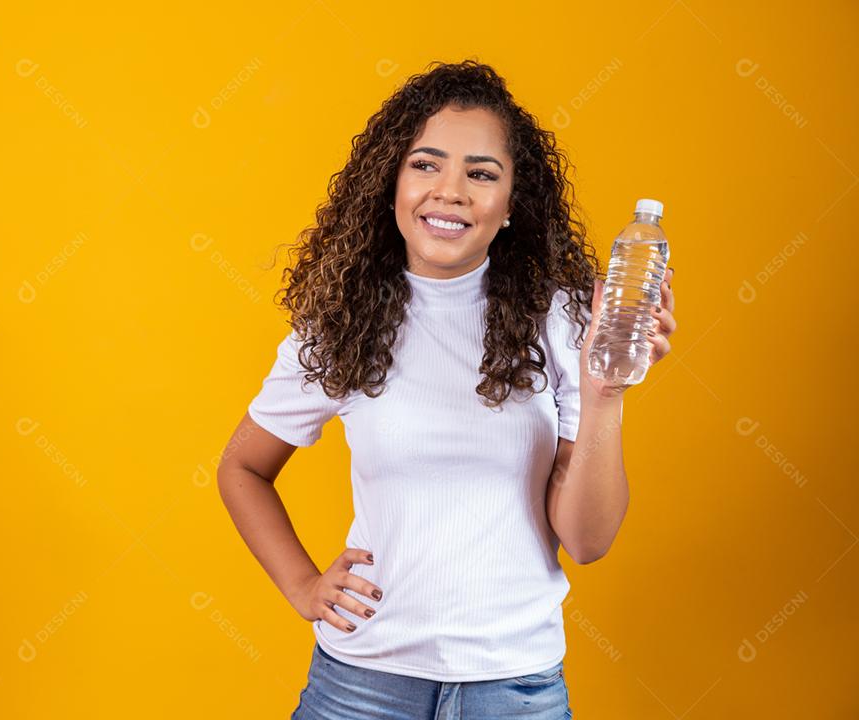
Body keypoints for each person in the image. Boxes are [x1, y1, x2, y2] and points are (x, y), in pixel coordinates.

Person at [217, 59, 678, 719]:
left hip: (514, 690)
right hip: (361, 686)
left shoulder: (565, 318)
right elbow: (242, 466)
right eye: (426, 164)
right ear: (391, 182)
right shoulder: (341, 327)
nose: (451, 190)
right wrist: (302, 585)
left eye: (481, 173)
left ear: (511, 203)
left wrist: (606, 394)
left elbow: (588, 541)